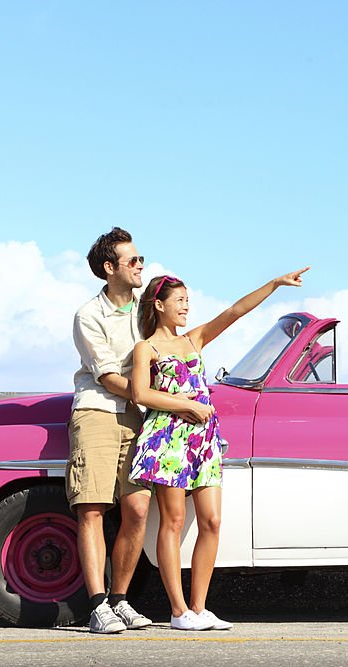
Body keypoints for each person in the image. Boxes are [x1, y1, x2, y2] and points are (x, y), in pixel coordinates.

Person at [128, 267, 309, 630]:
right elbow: (140, 394)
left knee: (211, 521)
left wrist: (274, 284)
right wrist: (188, 405)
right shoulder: (145, 348)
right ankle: (178, 612)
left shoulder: (194, 340)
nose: (186, 307)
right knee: (174, 521)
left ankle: (199, 607)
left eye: (188, 301)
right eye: (179, 301)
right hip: (168, 437)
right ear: (158, 304)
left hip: (203, 440)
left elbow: (235, 312)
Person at [68, 228, 208, 634]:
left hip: (141, 419)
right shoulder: (88, 315)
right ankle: (97, 607)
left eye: (141, 259)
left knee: (138, 510)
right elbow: (109, 378)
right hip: (97, 411)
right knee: (92, 508)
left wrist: (163, 396)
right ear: (110, 269)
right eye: (133, 261)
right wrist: (160, 397)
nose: (140, 266)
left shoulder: (145, 310)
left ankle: (119, 599)